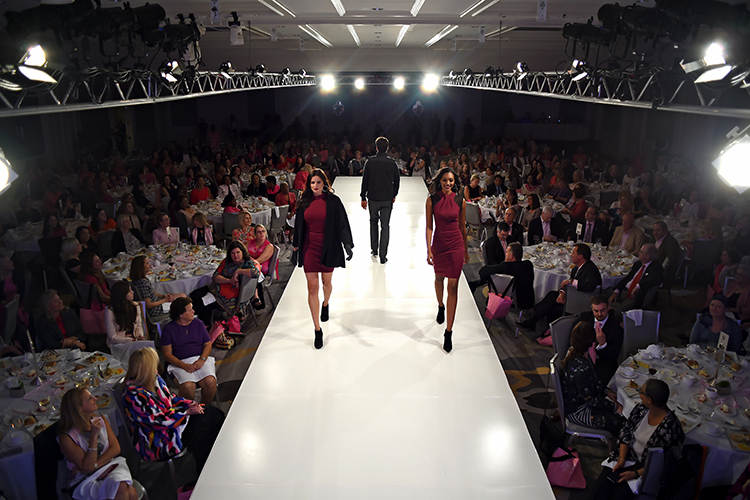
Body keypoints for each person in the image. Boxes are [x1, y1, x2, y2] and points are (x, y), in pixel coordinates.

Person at [122, 347, 224, 474]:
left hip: (173, 422)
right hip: (157, 438)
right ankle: (205, 470)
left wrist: (190, 405)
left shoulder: (155, 379)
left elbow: (171, 398)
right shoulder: (133, 396)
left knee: (212, 414)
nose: (157, 368)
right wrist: (185, 413)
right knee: (203, 427)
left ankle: (213, 462)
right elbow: (156, 421)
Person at [590, 379, 684, 500]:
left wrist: (635, 473)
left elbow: (661, 464)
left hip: (645, 469)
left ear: (649, 399)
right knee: (603, 485)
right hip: (629, 456)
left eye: (641, 392)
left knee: (618, 495)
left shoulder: (670, 428)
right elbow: (626, 431)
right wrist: (622, 459)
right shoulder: (641, 409)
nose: (639, 393)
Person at [293, 169, 353, 349]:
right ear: (308, 185)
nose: (315, 186)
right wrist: (296, 246)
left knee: (327, 283)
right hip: (309, 248)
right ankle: (317, 329)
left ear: (324, 183)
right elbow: (298, 226)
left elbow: (342, 223)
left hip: (328, 248)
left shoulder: (333, 202)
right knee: (313, 287)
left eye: (318, 182)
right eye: (312, 183)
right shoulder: (304, 202)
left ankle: (326, 303)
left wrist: (347, 244)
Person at [57, 388, 137, 500]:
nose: (95, 398)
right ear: (79, 409)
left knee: (123, 488)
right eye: (90, 398)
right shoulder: (67, 438)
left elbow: (116, 448)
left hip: (109, 466)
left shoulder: (99, 418)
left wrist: (95, 465)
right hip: (84, 480)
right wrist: (93, 437)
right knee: (128, 491)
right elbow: (88, 467)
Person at [426, 167, 469, 353]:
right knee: (438, 279)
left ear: (454, 182)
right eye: (445, 180)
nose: (448, 183)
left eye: (451, 180)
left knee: (453, 286)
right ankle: (440, 305)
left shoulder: (461, 200)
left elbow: (462, 227)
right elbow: (429, 226)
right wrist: (428, 249)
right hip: (439, 244)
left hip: (456, 245)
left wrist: (466, 250)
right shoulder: (431, 200)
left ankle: (449, 332)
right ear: (440, 181)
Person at [561, 321, 625, 435]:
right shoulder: (581, 368)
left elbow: (594, 380)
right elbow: (591, 401)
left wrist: (606, 391)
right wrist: (615, 406)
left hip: (581, 404)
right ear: (592, 341)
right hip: (578, 411)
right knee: (621, 422)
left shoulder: (578, 355)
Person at [520, 243, 602, 328]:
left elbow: (590, 286)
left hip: (582, 302)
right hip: (573, 297)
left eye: (573, 253)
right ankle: (534, 321)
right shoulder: (575, 269)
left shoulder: (590, 269)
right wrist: (562, 293)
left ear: (580, 256)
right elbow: (568, 286)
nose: (571, 255)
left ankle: (533, 318)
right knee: (553, 297)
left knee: (552, 303)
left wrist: (571, 281)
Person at [160, 297, 217, 402]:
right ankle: (189, 410)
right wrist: (184, 366)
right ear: (181, 314)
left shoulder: (198, 323)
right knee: (187, 387)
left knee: (210, 382)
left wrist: (202, 359)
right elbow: (167, 354)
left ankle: (204, 407)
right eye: (190, 310)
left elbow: (208, 344)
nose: (193, 312)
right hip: (179, 362)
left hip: (199, 359)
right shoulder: (169, 329)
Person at [196, 241, 263, 324]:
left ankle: (208, 328)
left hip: (228, 296)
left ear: (243, 251)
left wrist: (238, 271)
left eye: (238, 252)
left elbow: (256, 272)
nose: (235, 256)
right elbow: (215, 277)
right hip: (216, 287)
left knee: (201, 303)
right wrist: (229, 281)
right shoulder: (227, 262)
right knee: (194, 295)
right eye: (233, 253)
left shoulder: (249, 263)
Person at [360, 136, 400, 264]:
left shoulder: (370, 162)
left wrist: (363, 196)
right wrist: (394, 194)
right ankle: (383, 255)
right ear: (387, 148)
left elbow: (365, 180)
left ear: (376, 147)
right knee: (385, 226)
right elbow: (397, 181)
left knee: (373, 222)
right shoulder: (392, 163)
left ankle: (374, 250)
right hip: (387, 199)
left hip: (373, 198)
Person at [577, 295, 624, 384]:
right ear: (591, 308)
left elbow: (613, 357)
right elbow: (573, 339)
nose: (599, 314)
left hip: (603, 364)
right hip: (582, 359)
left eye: (603, 310)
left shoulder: (616, 328)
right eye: (596, 311)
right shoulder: (584, 318)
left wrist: (603, 344)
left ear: (608, 307)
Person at [608, 244, 663, 311]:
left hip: (634, 297)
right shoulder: (638, 263)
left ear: (648, 256)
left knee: (616, 313)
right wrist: (616, 291)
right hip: (624, 291)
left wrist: (638, 286)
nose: (638, 253)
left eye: (641, 252)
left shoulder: (656, 268)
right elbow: (628, 278)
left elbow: (654, 280)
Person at [129, 256, 185, 323]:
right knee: (183, 302)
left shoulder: (141, 279)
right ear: (141, 267)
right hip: (156, 311)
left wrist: (163, 296)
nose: (149, 265)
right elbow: (148, 305)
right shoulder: (142, 284)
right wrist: (164, 300)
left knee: (182, 295)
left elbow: (151, 292)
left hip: (158, 302)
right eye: (147, 264)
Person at [725, 264, 750, 328]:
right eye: (736, 273)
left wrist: (734, 310)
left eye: (740, 275)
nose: (736, 276)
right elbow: (724, 298)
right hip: (726, 312)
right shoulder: (733, 285)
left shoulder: (748, 290)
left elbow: (748, 310)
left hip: (740, 317)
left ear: (747, 277)